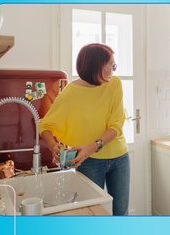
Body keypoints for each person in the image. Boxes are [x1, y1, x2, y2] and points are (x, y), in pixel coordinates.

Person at [39, 43, 129, 215]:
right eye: (111, 65)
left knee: (121, 213)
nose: (113, 70)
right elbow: (46, 125)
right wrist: (52, 146)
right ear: (96, 66)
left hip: (119, 157)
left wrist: (91, 147)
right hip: (89, 162)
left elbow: (115, 125)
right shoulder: (70, 92)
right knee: (92, 213)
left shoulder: (114, 84)